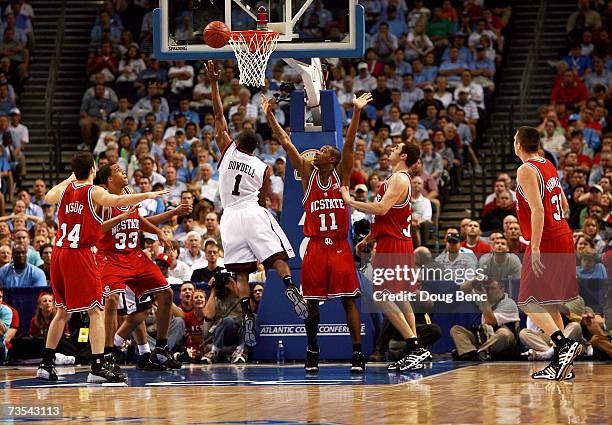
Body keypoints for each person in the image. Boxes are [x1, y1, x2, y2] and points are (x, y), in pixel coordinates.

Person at [263, 92, 371, 373]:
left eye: (323, 152)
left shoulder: (342, 175)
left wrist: (357, 111)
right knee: (311, 304)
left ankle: (357, 353)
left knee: (349, 300)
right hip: (314, 247)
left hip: (338, 246)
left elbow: (347, 143)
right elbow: (286, 143)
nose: (318, 153)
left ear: (332, 161)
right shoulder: (308, 176)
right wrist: (269, 116)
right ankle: (312, 350)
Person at [36, 152, 166, 383]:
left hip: (58, 252)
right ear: (94, 169)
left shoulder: (65, 190)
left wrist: (70, 179)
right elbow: (116, 201)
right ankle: (97, 368)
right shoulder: (93, 191)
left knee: (62, 311)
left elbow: (47, 196)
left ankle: (46, 365)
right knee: (96, 310)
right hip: (80, 253)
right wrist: (148, 194)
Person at [207, 61, 307, 348]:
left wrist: (214, 82)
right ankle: (290, 286)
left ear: (236, 141)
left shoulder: (226, 151)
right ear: (256, 148)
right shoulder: (263, 167)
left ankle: (246, 310)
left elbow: (217, 115)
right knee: (276, 258)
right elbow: (264, 198)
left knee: (240, 271)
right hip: (252, 211)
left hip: (229, 217)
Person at [341, 142, 432, 372]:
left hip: (393, 245)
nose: (390, 150)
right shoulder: (397, 179)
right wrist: (368, 239)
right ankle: (415, 350)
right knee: (401, 297)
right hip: (396, 242)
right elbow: (388, 218)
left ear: (402, 156)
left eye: (395, 148)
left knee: (382, 297)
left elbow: (380, 209)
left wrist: (350, 201)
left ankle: (414, 346)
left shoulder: (400, 179)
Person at [96, 163, 190, 371]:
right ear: (110, 180)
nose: (124, 172)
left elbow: (138, 221)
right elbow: (95, 231)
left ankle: (161, 350)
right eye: (118, 171)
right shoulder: (101, 201)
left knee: (165, 293)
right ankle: (109, 354)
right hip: (111, 258)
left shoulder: (129, 193)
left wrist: (158, 231)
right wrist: (119, 218)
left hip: (135, 256)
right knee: (112, 301)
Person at [514, 126, 582, 381]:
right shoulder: (547, 164)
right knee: (550, 302)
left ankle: (563, 345)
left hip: (548, 240)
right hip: (563, 234)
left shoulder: (525, 169)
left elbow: (538, 211)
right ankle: (562, 364)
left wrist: (535, 246)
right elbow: (563, 204)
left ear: (518, 145)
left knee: (527, 301)